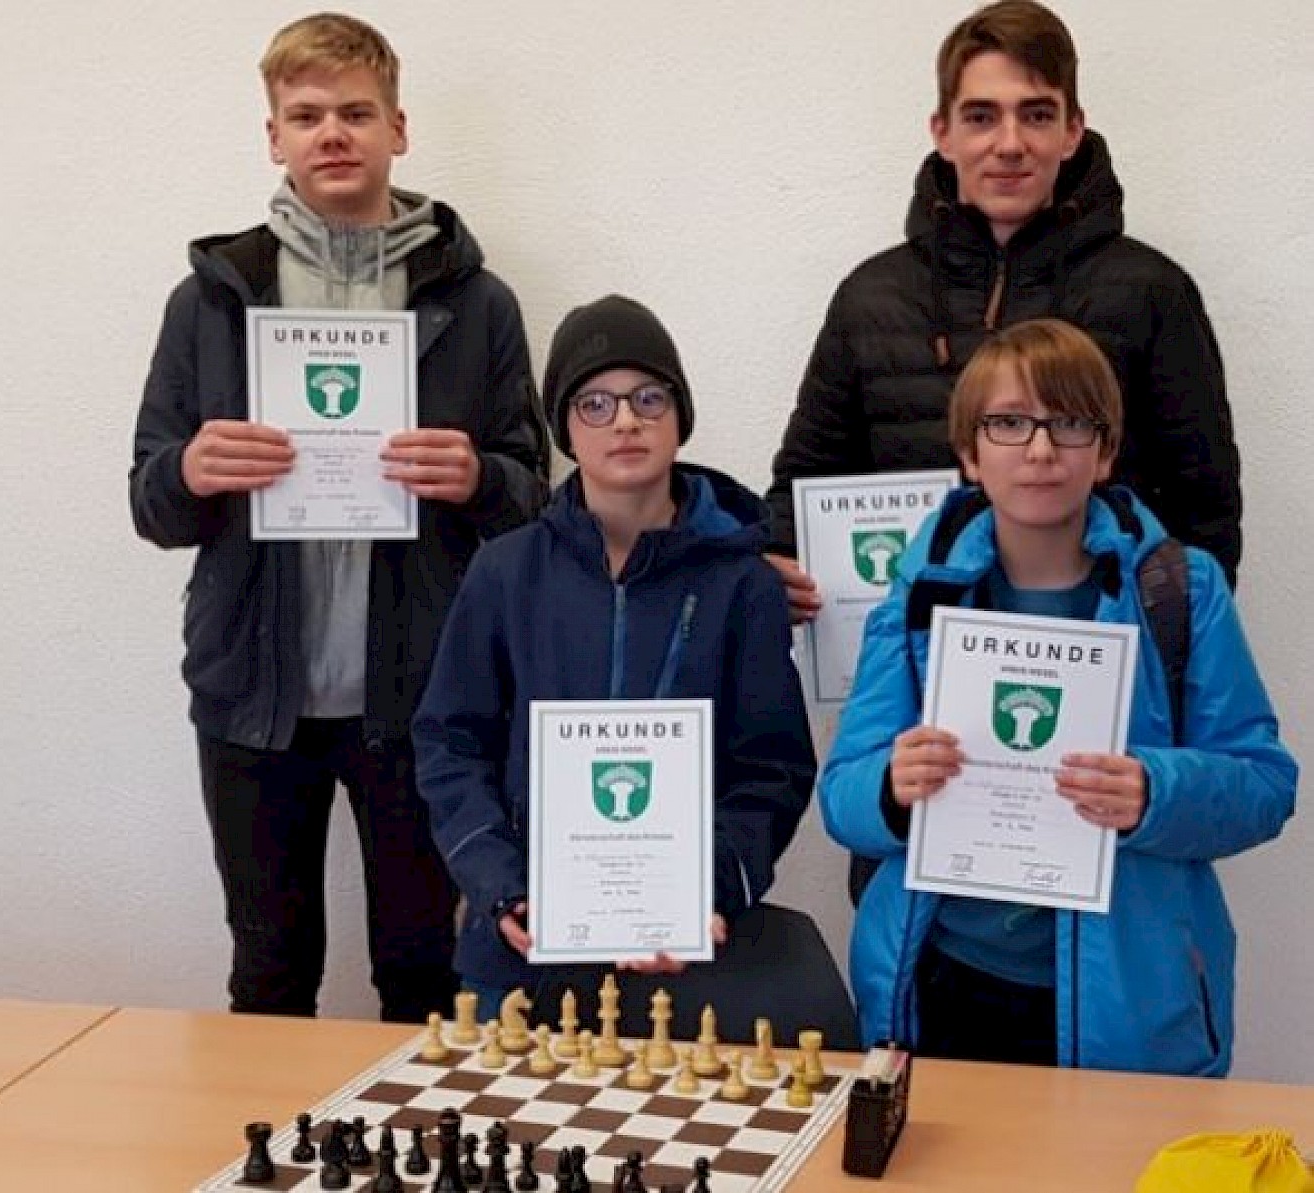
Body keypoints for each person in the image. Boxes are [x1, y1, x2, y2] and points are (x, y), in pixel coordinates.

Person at [129, 13, 548, 1022]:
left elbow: (534, 494)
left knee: (420, 971)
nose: (332, 134)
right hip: (250, 691)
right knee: (269, 971)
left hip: (421, 694)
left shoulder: (477, 300)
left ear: (397, 128)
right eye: (307, 114)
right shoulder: (210, 300)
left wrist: (477, 476)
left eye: (355, 113)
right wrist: (191, 468)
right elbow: (150, 502)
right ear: (273, 135)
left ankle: (414, 1131)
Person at [818, 318, 1295, 1076]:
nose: (1040, 449)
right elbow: (843, 796)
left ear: (1104, 452)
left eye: (1069, 423)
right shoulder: (919, 593)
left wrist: (1154, 790)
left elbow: (1264, 785)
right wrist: (891, 787)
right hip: (941, 986)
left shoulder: (1180, 589)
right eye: (1009, 423)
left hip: (1129, 1005)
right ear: (970, 453)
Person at [766, 0, 1241, 624]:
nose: (1010, 144)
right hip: (916, 657)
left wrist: (1179, 648)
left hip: (1104, 658)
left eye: (1036, 114)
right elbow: (802, 489)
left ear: (1072, 131)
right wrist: (776, 564)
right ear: (943, 132)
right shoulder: (870, 299)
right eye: (981, 116)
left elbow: (1204, 510)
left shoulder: (1152, 292)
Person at [412, 295, 816, 1019]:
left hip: (688, 953)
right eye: (595, 404)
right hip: (523, 949)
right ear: (565, 429)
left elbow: (772, 769)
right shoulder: (505, 571)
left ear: (680, 417)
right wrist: (504, 886)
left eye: (648, 398)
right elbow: (450, 743)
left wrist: (705, 890)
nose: (626, 421)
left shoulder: (743, 583)